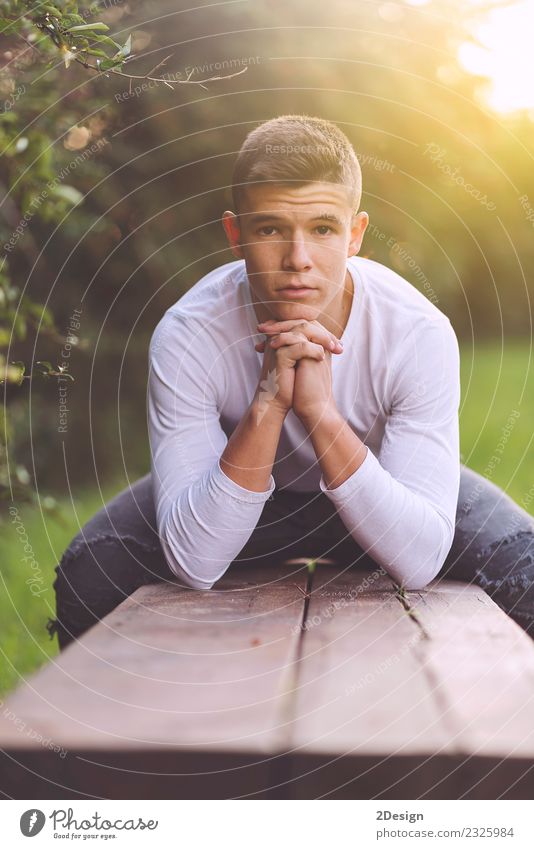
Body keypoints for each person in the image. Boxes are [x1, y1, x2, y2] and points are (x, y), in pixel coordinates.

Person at [47, 115, 534, 649]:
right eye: (270, 229)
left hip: (382, 484)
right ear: (236, 235)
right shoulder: (189, 334)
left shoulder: (416, 332)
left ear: (355, 235)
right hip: (240, 492)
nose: (298, 260)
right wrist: (269, 404)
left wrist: (321, 414)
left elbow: (416, 560)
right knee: (90, 571)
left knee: (526, 569)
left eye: (323, 229)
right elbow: (196, 562)